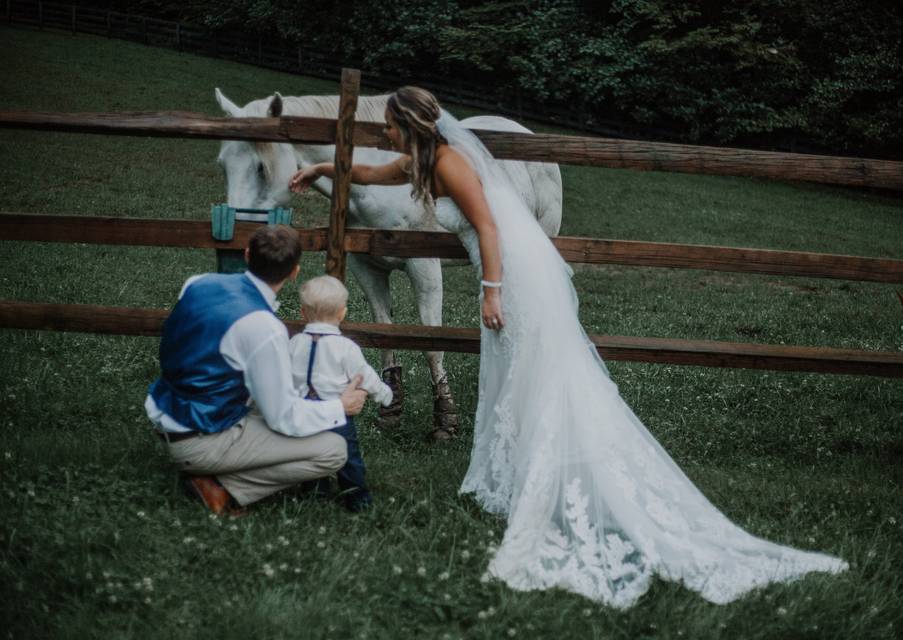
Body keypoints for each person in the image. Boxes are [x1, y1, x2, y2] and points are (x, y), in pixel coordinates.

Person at [288, 87, 848, 607]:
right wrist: (319, 167)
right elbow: (374, 172)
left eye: (387, 126)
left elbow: (486, 225)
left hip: (512, 272)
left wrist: (491, 291)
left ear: (405, 124)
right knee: (517, 370)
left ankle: (550, 470)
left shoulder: (451, 161)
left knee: (537, 367)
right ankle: (524, 466)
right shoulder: (421, 159)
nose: (382, 133)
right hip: (504, 269)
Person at [145, 225, 368, 515]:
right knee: (333, 450)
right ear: (294, 272)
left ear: (247, 255)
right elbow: (283, 417)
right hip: (200, 439)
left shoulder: (198, 282)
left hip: (168, 412)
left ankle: (213, 473)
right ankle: (224, 487)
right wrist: (339, 406)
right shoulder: (265, 327)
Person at [291, 275, 394, 510]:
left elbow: (284, 375)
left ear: (303, 313)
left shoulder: (295, 343)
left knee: (311, 453)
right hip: (338, 413)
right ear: (342, 313)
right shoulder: (346, 348)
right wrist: (384, 394)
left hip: (306, 411)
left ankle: (314, 494)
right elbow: (364, 376)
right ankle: (357, 499)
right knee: (349, 458)